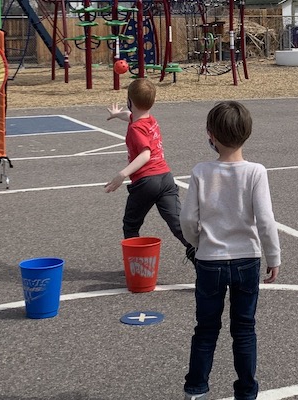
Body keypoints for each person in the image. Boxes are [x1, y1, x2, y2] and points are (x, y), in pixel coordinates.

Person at [180, 101, 281, 400]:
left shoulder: (201, 171)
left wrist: (197, 243)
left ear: (210, 135)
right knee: (244, 329)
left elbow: (187, 219)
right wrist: (273, 256)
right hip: (247, 260)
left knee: (206, 329)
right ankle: (247, 391)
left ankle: (196, 389)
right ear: (247, 133)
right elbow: (265, 220)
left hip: (210, 260)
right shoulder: (255, 172)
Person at [104, 78, 195, 262]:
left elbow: (145, 155)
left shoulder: (136, 128)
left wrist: (122, 174)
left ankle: (136, 265)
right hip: (166, 179)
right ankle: (198, 255)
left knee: (130, 225)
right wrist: (117, 115)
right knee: (177, 225)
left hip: (147, 182)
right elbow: (130, 115)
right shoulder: (150, 120)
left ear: (130, 101)